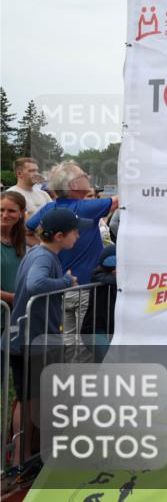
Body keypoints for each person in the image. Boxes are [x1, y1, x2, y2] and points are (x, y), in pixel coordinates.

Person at [7, 207, 88, 463]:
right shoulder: (43, 257)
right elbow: (36, 284)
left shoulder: (39, 253)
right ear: (59, 236)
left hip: (31, 337)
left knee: (32, 398)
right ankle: (21, 458)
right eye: (75, 232)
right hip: (31, 339)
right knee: (29, 400)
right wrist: (66, 282)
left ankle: (26, 455)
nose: (78, 236)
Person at [25, 162, 118, 362]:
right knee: (86, 341)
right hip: (85, 288)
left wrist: (50, 248)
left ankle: (66, 375)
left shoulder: (50, 208)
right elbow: (123, 199)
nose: (88, 178)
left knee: (67, 340)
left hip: (60, 287)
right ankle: (80, 378)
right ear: (74, 185)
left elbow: (27, 230)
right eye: (84, 175)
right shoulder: (86, 207)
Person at [2, 191, 28, 307]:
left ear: (21, 212)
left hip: (15, 310)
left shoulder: (21, 239)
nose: (5, 215)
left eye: (11, 211)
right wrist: (10, 297)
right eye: (1, 210)